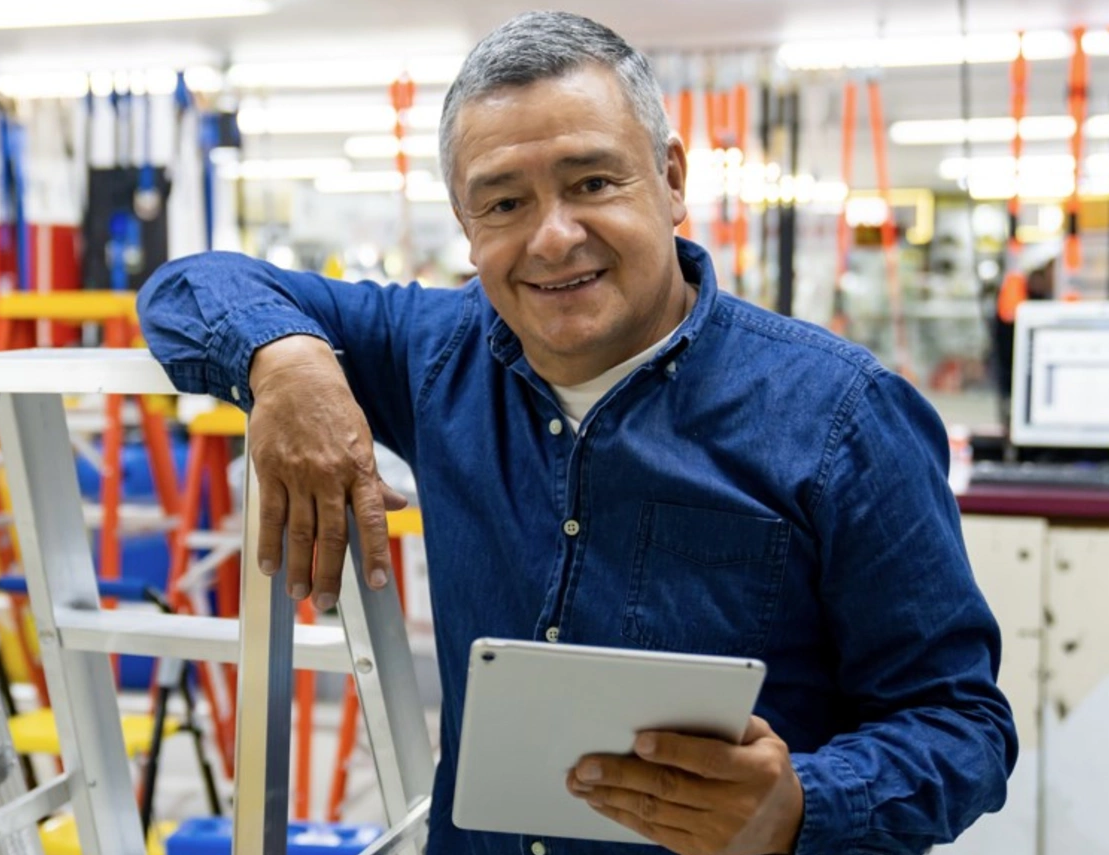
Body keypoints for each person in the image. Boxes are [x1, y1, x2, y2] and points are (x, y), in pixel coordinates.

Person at [138, 11, 1015, 853]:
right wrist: (288, 363)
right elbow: (188, 286)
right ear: (465, 225)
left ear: (672, 179)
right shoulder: (432, 355)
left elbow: (961, 726)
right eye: (504, 203)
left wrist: (801, 808)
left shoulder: (841, 416)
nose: (553, 238)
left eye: (593, 183)